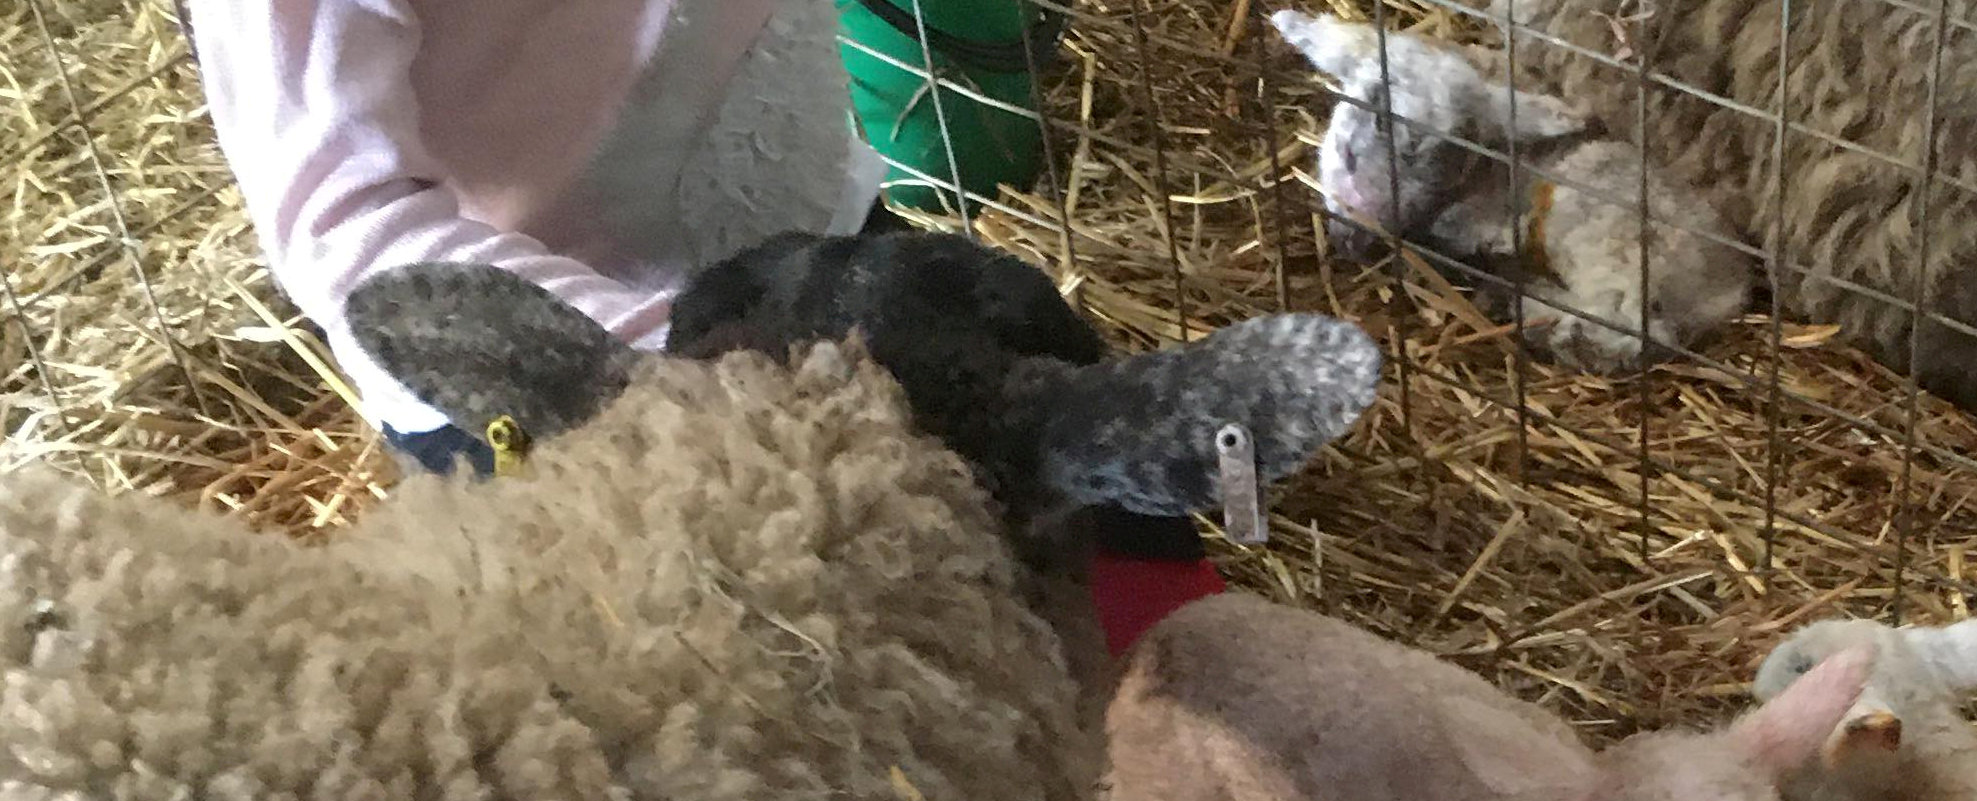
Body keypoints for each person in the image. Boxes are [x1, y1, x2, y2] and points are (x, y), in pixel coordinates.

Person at [191, 0, 1221, 642]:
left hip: (817, 232)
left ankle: (1173, 752)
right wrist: (672, 361)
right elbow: (340, 219)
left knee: (1056, 521)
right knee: (736, 680)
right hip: (580, 371)